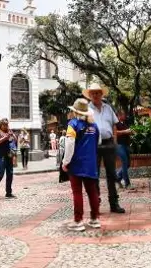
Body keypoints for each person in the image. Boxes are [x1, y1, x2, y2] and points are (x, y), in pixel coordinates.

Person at [62, 98, 101, 231]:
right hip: (91, 164)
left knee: (77, 192)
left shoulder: (73, 124)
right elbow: (97, 143)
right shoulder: (94, 126)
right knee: (92, 192)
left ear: (75, 112)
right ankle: (95, 219)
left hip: (77, 164)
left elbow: (69, 145)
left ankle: (78, 221)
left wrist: (65, 162)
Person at [86, 83, 125, 213]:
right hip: (92, 145)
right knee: (93, 174)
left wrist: (114, 142)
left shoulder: (108, 108)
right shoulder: (86, 110)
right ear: (90, 95)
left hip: (108, 143)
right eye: (93, 93)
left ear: (102, 94)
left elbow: (114, 126)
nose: (96, 95)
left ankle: (114, 204)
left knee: (112, 174)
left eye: (98, 92)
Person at [115, 109, 133, 188]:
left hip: (126, 145)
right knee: (125, 163)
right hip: (119, 145)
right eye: (122, 115)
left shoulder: (124, 123)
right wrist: (125, 131)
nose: (124, 116)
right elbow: (115, 133)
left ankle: (118, 178)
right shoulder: (115, 123)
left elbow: (127, 132)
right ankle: (127, 183)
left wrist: (131, 132)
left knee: (128, 164)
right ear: (119, 116)